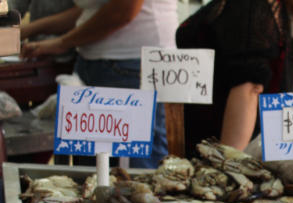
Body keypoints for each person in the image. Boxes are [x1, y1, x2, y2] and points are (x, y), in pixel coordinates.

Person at [20, 0, 178, 168]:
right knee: (94, 171)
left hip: (130, 68)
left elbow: (123, 10)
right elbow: (90, 10)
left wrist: (62, 43)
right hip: (97, 66)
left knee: (135, 174)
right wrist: (29, 30)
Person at [176, 0, 293, 154]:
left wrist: (228, 166)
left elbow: (248, 88)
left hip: (221, 153)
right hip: (221, 151)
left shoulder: (248, 5)